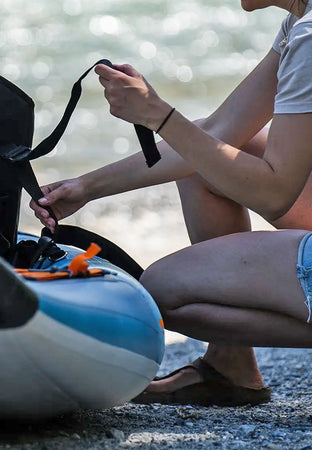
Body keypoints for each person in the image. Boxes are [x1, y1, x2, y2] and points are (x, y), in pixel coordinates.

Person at [30, 0, 312, 406]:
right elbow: (217, 132)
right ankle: (229, 366)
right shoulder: (298, 24)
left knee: (160, 291)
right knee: (207, 157)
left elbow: (275, 191)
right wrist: (86, 187)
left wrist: (158, 115)